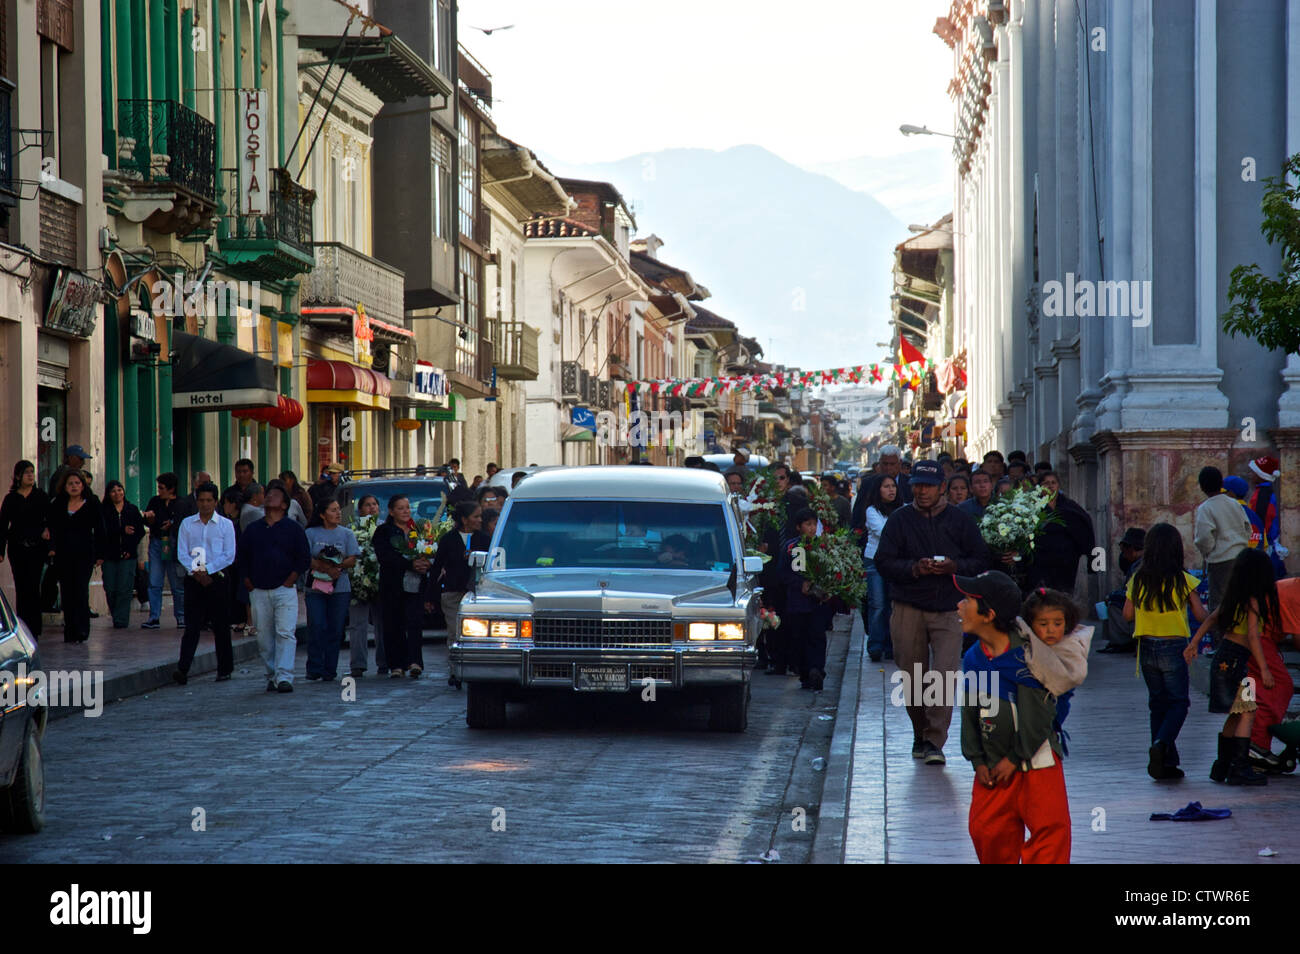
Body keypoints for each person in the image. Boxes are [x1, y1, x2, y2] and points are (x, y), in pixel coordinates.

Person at [874, 459, 993, 764]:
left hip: (948, 608)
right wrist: (914, 568)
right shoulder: (900, 520)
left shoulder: (960, 520)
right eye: (916, 486)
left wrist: (954, 567)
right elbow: (883, 562)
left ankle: (934, 742)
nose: (922, 491)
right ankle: (920, 731)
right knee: (913, 677)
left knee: (943, 675)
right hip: (908, 606)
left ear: (942, 487)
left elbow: (980, 559)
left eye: (927, 486)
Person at [956, 571, 1070, 864]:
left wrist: (1016, 757)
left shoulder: (1028, 655)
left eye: (967, 600)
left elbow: (1040, 712)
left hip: (1036, 761)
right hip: (994, 766)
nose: (959, 605)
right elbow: (970, 711)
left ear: (989, 614)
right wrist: (977, 759)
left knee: (1050, 835)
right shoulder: (973, 658)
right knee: (987, 833)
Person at [1122, 522, 1208, 780]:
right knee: (1179, 702)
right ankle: (1161, 746)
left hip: (1146, 647)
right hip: (1174, 647)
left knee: (1158, 704)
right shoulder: (1183, 580)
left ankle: (1165, 764)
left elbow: (1127, 614)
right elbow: (1199, 614)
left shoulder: (1138, 578)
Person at [1186, 548, 1277, 786]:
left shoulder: (1234, 598)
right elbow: (1254, 638)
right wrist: (1265, 669)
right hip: (1237, 660)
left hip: (1225, 658)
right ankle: (1239, 766)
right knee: (1247, 711)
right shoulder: (1253, 601)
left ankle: (1222, 765)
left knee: (1237, 713)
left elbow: (1211, 619)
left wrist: (1194, 643)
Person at [238, 486, 310, 692]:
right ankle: (272, 673)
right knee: (264, 636)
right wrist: (247, 580)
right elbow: (242, 557)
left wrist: (292, 578)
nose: (269, 496)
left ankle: (285, 676)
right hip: (259, 590)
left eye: (275, 495)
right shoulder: (253, 529)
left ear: (285, 505)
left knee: (286, 632)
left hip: (284, 589)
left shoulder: (293, 529)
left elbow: (303, 557)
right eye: (268, 494)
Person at [173, 482, 236, 685]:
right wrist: (196, 571)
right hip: (194, 579)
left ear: (216, 502)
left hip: (217, 579)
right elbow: (182, 552)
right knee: (192, 626)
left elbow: (229, 555)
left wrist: (209, 570)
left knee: (220, 626)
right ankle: (183, 668)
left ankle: (224, 669)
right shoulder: (187, 524)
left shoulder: (226, 525)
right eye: (201, 500)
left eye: (209, 500)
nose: (205, 504)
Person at [1018, 587, 1093, 752]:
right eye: (1043, 624)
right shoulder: (1026, 646)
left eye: (1057, 623)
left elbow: (1073, 675)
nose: (1051, 629)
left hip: (1055, 712)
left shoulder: (1071, 646)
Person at [373, 494, 432, 678]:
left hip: (415, 585)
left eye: (407, 507)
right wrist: (409, 564)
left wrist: (425, 562)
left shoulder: (419, 529)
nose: (405, 511)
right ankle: (396, 665)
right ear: (391, 511)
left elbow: (429, 548)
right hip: (393, 585)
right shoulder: (384, 531)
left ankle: (415, 662)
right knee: (393, 624)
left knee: (414, 622)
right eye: (400, 508)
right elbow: (385, 557)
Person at [304, 499, 360, 683]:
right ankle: (314, 667)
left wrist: (338, 567)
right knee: (317, 625)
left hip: (340, 588)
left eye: (339, 509)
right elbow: (305, 557)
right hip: (315, 588)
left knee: (335, 629)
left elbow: (352, 558)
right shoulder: (310, 533)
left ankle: (330, 669)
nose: (338, 513)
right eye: (333, 510)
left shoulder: (346, 534)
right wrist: (324, 567)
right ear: (322, 514)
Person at [46, 471, 104, 643]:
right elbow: (51, 528)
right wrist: (51, 548)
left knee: (80, 591)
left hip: (84, 554)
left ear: (83, 485)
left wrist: (100, 554)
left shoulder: (92, 502)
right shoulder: (58, 504)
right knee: (67, 592)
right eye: (70, 483)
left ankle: (82, 630)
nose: (74, 486)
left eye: (77, 483)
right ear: (64, 486)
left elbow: (100, 529)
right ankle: (70, 631)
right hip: (63, 555)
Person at [1193, 466, 1251, 627]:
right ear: (1220, 484)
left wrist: (1208, 552)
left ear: (1202, 486)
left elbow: (1204, 538)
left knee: (1219, 604)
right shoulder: (1234, 503)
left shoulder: (1206, 507)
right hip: (1241, 557)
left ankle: (1221, 645)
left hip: (1221, 561)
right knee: (1241, 601)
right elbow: (1248, 528)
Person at [0, 460, 51, 637]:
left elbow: (50, 521)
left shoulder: (41, 497)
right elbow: (3, 525)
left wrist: (48, 540)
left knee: (33, 586)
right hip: (17, 548)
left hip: (36, 548)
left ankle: (35, 629)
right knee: (21, 588)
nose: (30, 475)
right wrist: (1, 550)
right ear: (18, 476)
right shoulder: (11, 499)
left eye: (32, 472)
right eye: (26, 472)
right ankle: (23, 628)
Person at [433, 501, 483, 681]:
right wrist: (431, 595)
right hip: (453, 592)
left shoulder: (483, 538)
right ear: (464, 519)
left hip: (476, 593)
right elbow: (437, 566)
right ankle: (455, 669)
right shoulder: (449, 539)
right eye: (476, 516)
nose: (479, 520)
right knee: (454, 633)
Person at [779, 507, 828, 690]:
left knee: (817, 636)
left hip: (817, 603)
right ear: (799, 527)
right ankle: (805, 672)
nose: (812, 528)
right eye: (808, 524)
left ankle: (817, 670)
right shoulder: (791, 547)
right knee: (799, 638)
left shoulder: (822, 546)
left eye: (815, 524)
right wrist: (800, 584)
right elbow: (782, 573)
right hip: (797, 603)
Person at [1026, 472, 1095, 595]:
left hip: (1066, 562)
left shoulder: (1070, 506)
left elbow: (1085, 527)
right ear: (1039, 487)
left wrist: (1092, 559)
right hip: (1041, 561)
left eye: (1053, 483)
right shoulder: (1032, 508)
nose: (1050, 486)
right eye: (1046, 483)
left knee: (1064, 595)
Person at [862, 474, 901, 662]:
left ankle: (891, 645)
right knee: (877, 604)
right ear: (878, 489)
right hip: (875, 560)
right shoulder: (871, 510)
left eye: (893, 486)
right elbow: (882, 531)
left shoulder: (903, 509)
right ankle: (875, 645)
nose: (891, 490)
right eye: (886, 486)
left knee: (893, 605)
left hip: (896, 561)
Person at [347, 494, 386, 678]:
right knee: (357, 625)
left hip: (381, 581)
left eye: (375, 504)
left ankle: (384, 662)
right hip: (358, 581)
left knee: (383, 623)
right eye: (367, 505)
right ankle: (358, 664)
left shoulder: (385, 527)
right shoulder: (352, 529)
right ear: (360, 509)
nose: (372, 508)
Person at [142, 472, 185, 630]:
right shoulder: (155, 501)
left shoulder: (181, 504)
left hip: (174, 544)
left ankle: (181, 616)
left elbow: (183, 523)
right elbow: (148, 521)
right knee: (154, 581)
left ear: (171, 489)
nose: (159, 491)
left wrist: (172, 525)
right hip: (157, 542)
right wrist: (150, 518)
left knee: (177, 583)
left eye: (162, 488)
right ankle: (154, 617)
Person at [100, 479, 146, 629]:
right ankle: (116, 615)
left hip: (128, 556)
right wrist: (121, 530)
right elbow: (102, 532)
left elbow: (139, 532)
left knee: (124, 589)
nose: (117, 493)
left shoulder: (131, 509)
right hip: (109, 556)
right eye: (113, 491)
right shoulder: (103, 511)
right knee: (110, 588)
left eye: (119, 490)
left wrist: (130, 548)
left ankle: (121, 620)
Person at [1098, 527, 1146, 654]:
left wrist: (1113, 597)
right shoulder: (1138, 563)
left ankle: (1123, 641)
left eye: (1124, 552)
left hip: (1142, 609)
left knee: (1112, 604)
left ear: (1131, 549)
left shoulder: (1140, 566)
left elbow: (1132, 593)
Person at [851, 445, 913, 531]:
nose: (888, 468)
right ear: (879, 463)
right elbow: (858, 516)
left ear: (900, 463)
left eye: (892, 464)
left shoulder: (910, 484)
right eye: (885, 464)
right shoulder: (867, 483)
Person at [1246, 454, 1285, 577]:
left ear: (1261, 476)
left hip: (1264, 544)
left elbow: (1261, 521)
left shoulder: (1262, 495)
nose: (1250, 475)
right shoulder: (1264, 492)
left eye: (1253, 473)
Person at [220, 489, 249, 635]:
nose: (223, 506)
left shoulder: (242, 521)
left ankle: (242, 620)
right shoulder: (226, 521)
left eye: (225, 503)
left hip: (239, 562)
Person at [1221, 475, 1265, 551]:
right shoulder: (1256, 518)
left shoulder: (1227, 515)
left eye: (1224, 493)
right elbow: (1264, 546)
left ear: (1231, 494)